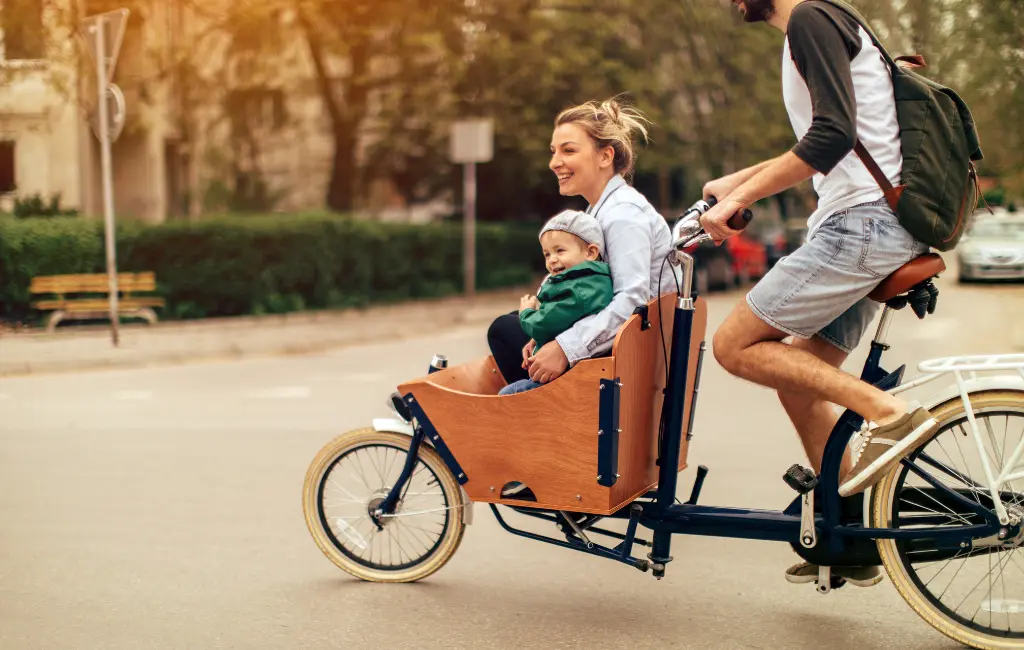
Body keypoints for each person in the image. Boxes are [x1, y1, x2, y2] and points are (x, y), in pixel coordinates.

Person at [702, 0, 936, 586]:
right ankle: (853, 528)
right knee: (799, 379)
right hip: (874, 225)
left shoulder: (810, 18)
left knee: (733, 346)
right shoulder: (827, 22)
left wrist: (736, 201)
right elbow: (822, 140)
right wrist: (736, 184)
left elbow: (833, 136)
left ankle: (890, 413)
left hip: (861, 226)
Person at [487, 99, 679, 388]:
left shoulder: (624, 215)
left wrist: (565, 347)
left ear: (605, 156)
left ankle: (532, 411)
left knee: (503, 329)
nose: (554, 162)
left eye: (568, 150)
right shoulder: (603, 211)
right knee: (515, 325)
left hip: (624, 364)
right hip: (616, 354)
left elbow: (633, 302)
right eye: (553, 152)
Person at [499, 210, 614, 396]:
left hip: (566, 376)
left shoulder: (577, 290)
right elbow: (563, 320)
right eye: (547, 254)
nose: (552, 259)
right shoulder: (591, 281)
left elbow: (542, 324)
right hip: (574, 370)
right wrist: (535, 340)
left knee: (507, 395)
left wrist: (526, 312)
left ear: (591, 252)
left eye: (560, 251)